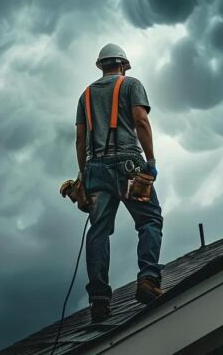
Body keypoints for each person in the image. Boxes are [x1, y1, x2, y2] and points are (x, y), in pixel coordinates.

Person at [75, 43, 163, 323]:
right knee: (149, 220)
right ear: (123, 65)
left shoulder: (85, 95)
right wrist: (150, 161)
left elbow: (80, 139)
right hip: (128, 165)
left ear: (101, 66)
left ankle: (99, 299)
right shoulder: (131, 85)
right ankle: (148, 278)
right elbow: (141, 121)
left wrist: (83, 176)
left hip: (95, 168)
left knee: (98, 230)